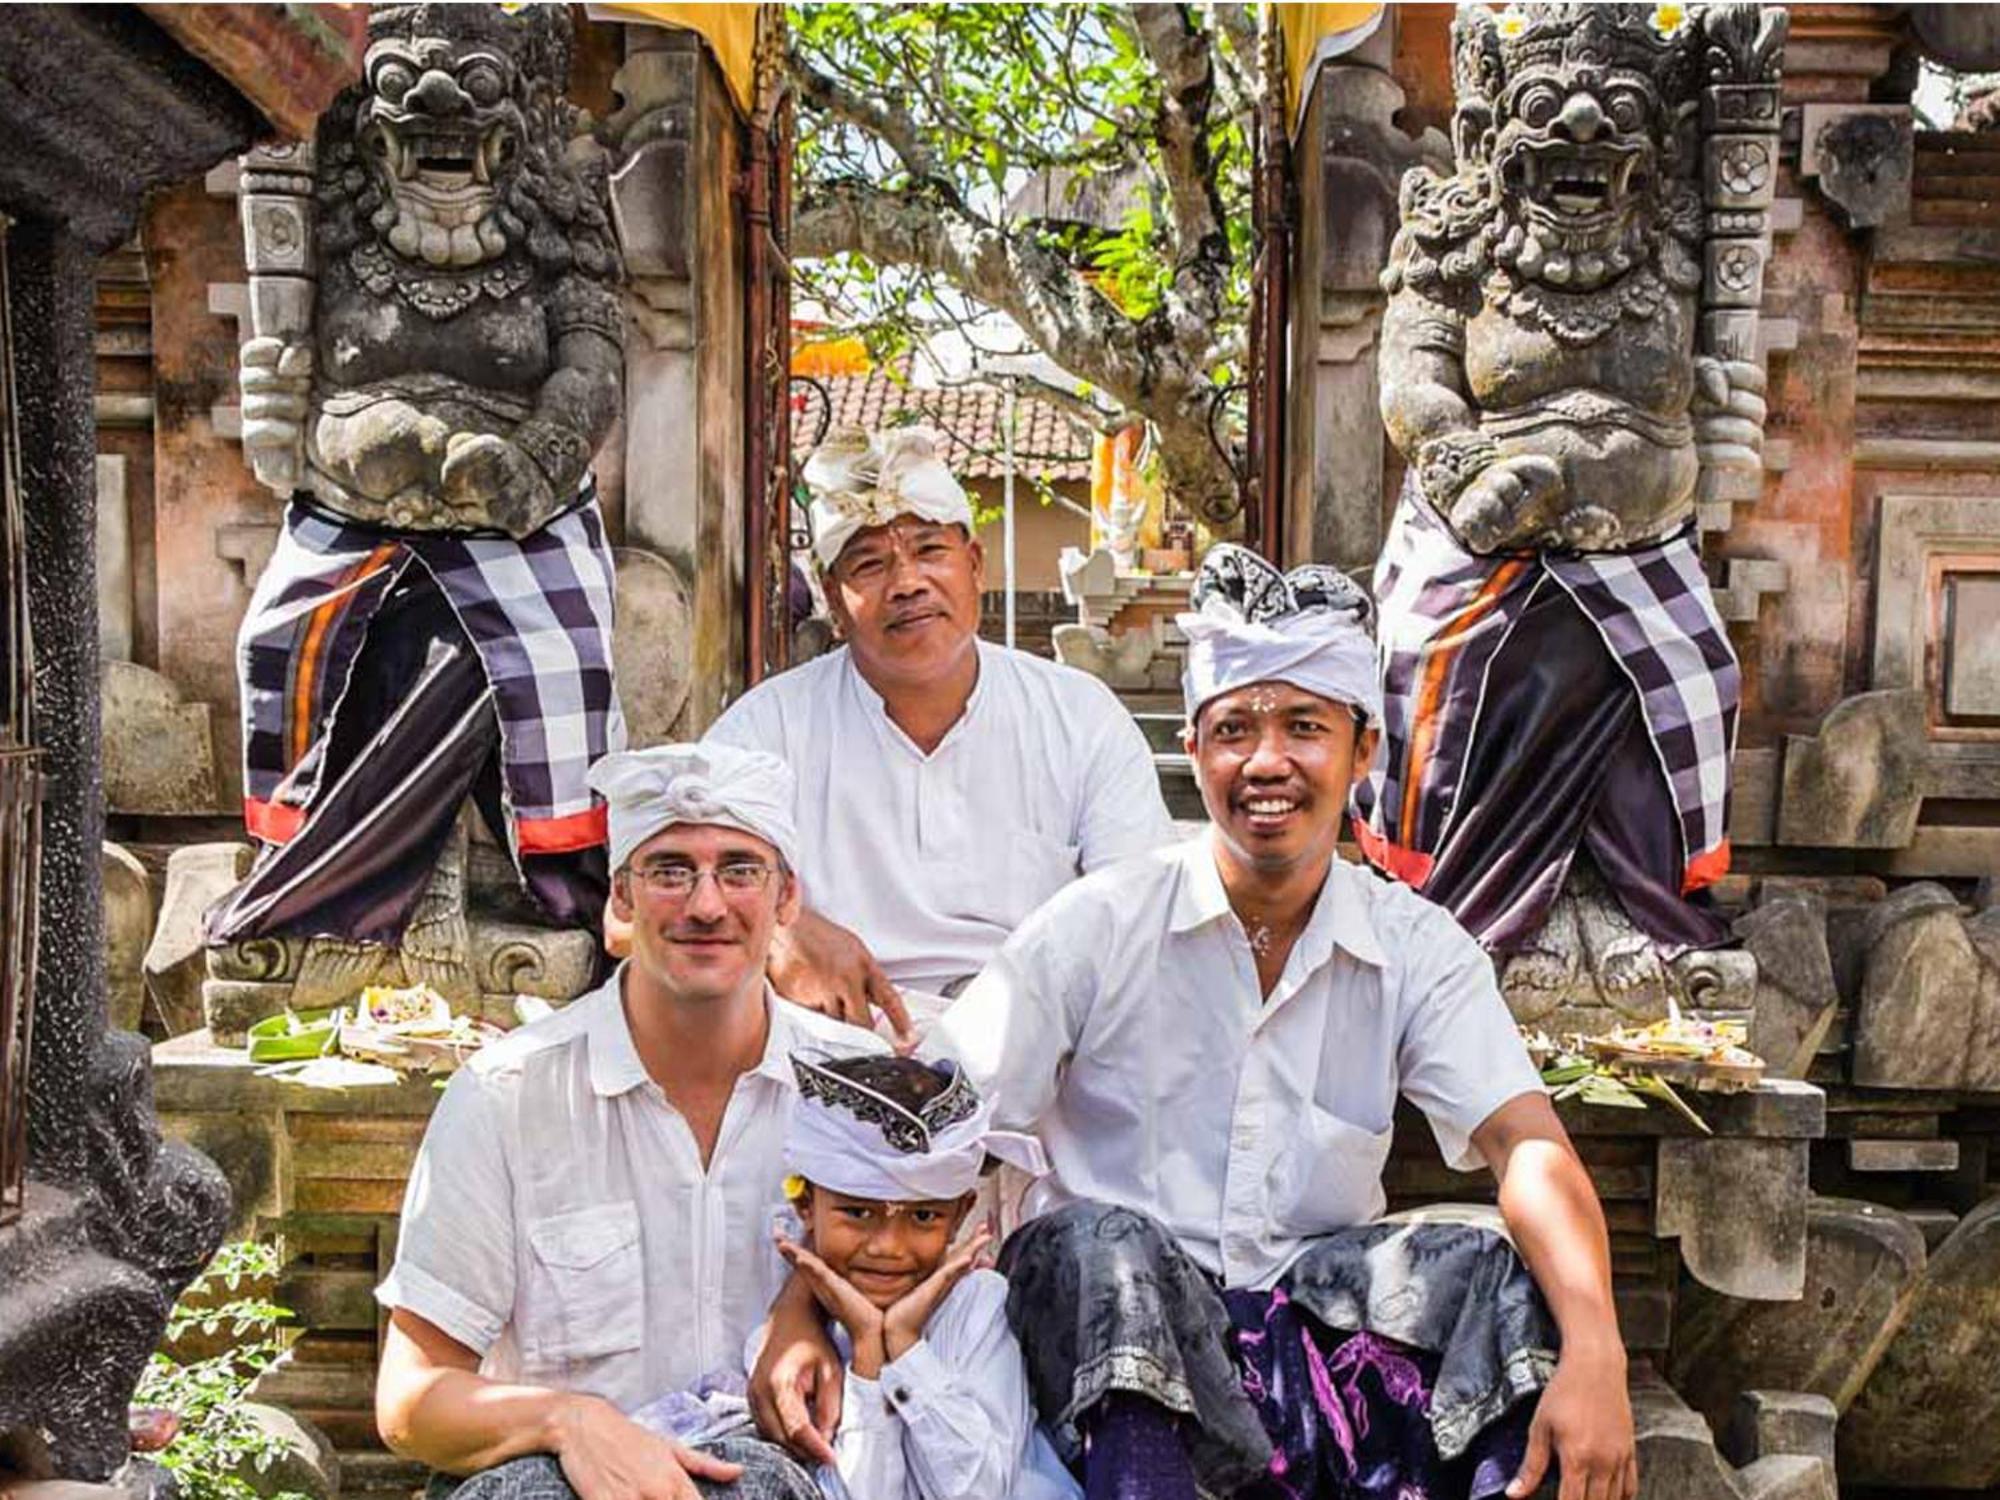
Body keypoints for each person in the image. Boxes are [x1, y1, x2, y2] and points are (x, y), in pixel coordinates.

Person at [757, 544, 1638, 1500]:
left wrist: (1600, 1352)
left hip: (1306, 1339)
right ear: (1194, 750)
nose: (1268, 762)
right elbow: (928, 1126)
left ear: (1362, 753)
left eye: (1304, 727)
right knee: (1105, 1245)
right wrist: (801, 1310)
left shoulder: (1414, 945)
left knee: (1493, 1274)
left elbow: (1528, 1147)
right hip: (1104, 1340)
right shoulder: (1099, 923)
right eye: (1234, 730)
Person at [374, 742, 886, 1500]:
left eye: (740, 870)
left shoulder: (857, 1085)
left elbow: (927, 1308)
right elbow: (412, 1402)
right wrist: (568, 1422)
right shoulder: (508, 1096)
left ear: (786, 901)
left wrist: (805, 1299)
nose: (706, 905)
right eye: (671, 870)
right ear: (622, 899)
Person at [701, 425, 1175, 1038]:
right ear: (834, 602)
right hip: (825, 1054)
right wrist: (778, 933)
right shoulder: (767, 730)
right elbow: (637, 918)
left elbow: (1143, 912)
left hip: (1040, 1054)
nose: (906, 583)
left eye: (929, 551)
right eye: (869, 564)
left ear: (975, 565)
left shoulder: (1079, 718)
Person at [728, 1051, 1076, 1500]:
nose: (888, 1246)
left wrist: (908, 1350)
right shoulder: (788, 1351)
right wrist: (869, 1361)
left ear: (959, 1215)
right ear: (805, 1207)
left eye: (924, 1216)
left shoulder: (978, 1307)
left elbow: (984, 1492)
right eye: (857, 1212)